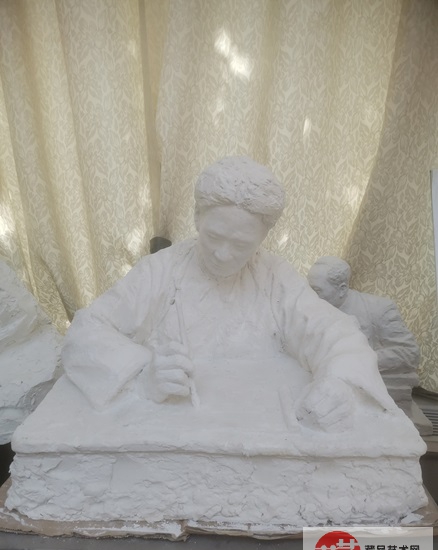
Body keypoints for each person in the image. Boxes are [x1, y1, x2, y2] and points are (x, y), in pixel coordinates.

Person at [63, 156, 397, 432]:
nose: (223, 254)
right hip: (177, 433)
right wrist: (141, 375)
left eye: (241, 245)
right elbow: (86, 332)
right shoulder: (159, 272)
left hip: (258, 432)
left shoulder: (275, 277)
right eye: (213, 237)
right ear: (197, 218)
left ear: (263, 238)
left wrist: (341, 383)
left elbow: (334, 332)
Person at [307, 256, 420, 414]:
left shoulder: (379, 309)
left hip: (360, 394)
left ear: (342, 289)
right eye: (308, 288)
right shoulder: (312, 309)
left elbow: (408, 352)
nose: (310, 296)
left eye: (317, 290)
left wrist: (360, 359)